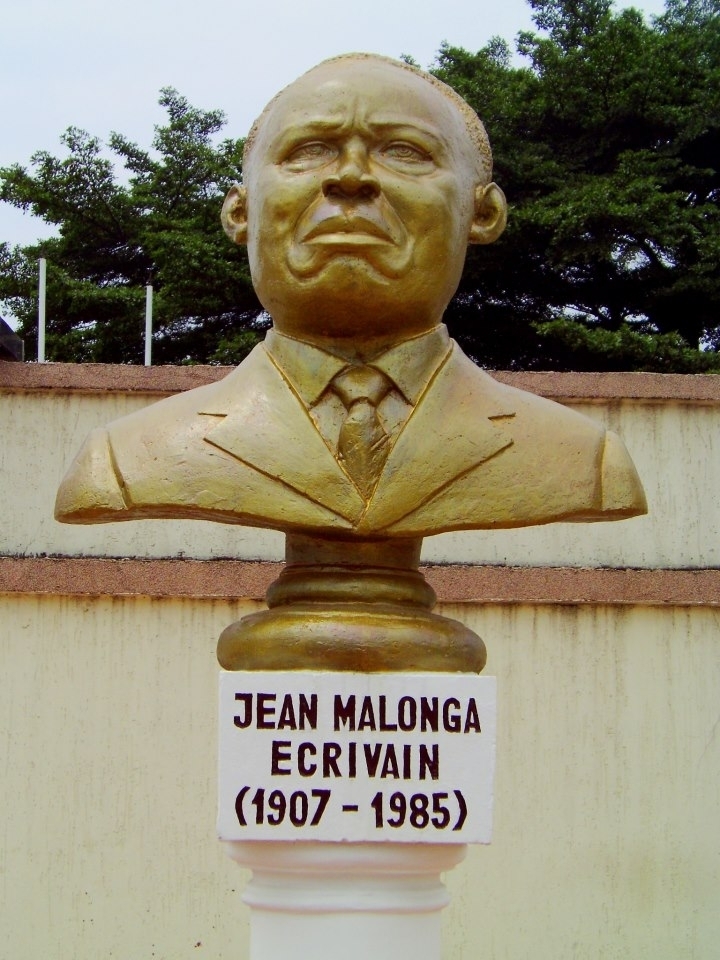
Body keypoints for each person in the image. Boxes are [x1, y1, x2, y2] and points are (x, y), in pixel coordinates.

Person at [55, 54, 646, 538]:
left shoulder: (586, 460)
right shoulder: (126, 457)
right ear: (240, 210)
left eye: (405, 151)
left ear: (482, 211)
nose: (352, 177)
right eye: (308, 150)